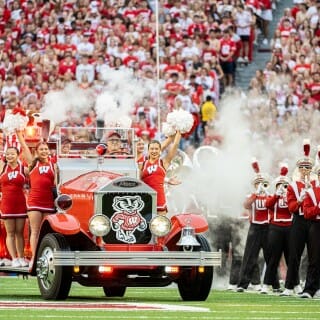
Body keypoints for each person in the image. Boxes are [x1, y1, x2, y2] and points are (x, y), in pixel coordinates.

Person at [16, 130, 57, 264]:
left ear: (49, 151)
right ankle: (35, 258)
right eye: (41, 149)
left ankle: (46, 257)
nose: (44, 151)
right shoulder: (33, 163)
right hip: (34, 201)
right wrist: (19, 135)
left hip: (49, 201)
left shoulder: (54, 165)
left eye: (46, 149)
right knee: (35, 230)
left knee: (46, 232)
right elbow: (24, 148)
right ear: (37, 151)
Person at [280, 141, 314, 296]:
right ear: (298, 169)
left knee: (313, 256)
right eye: (302, 167)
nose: (305, 170)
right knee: (294, 254)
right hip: (299, 221)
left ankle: (310, 287)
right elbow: (291, 208)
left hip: (313, 221)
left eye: (308, 167)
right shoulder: (293, 186)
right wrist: (300, 200)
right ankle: (289, 286)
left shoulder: (316, 184)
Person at [260, 164, 292, 294]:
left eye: (285, 185)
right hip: (276, 227)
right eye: (280, 185)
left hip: (289, 228)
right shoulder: (273, 195)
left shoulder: (290, 195)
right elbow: (267, 205)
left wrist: (288, 196)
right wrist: (276, 196)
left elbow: (293, 209)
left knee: (292, 258)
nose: (282, 188)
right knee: (273, 258)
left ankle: (294, 284)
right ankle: (266, 285)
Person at [140, 131, 181, 215]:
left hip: (159, 200)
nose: (154, 151)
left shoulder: (164, 162)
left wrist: (179, 132)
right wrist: (167, 180)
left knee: (161, 225)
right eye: (151, 149)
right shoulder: (142, 165)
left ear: (160, 151)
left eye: (156, 149)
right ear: (148, 150)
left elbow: (175, 145)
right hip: (144, 199)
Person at [0, 146, 29, 267]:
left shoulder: (23, 168)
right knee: (10, 232)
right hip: (6, 203)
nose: (9, 156)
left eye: (12, 154)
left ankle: (21, 257)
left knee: (19, 232)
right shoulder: (2, 167)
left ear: (18, 155)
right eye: (7, 154)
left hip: (20, 202)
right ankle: (14, 258)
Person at [301, 165, 320, 299]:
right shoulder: (311, 190)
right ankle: (310, 289)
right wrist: (318, 208)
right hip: (316, 225)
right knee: (314, 258)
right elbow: (307, 213)